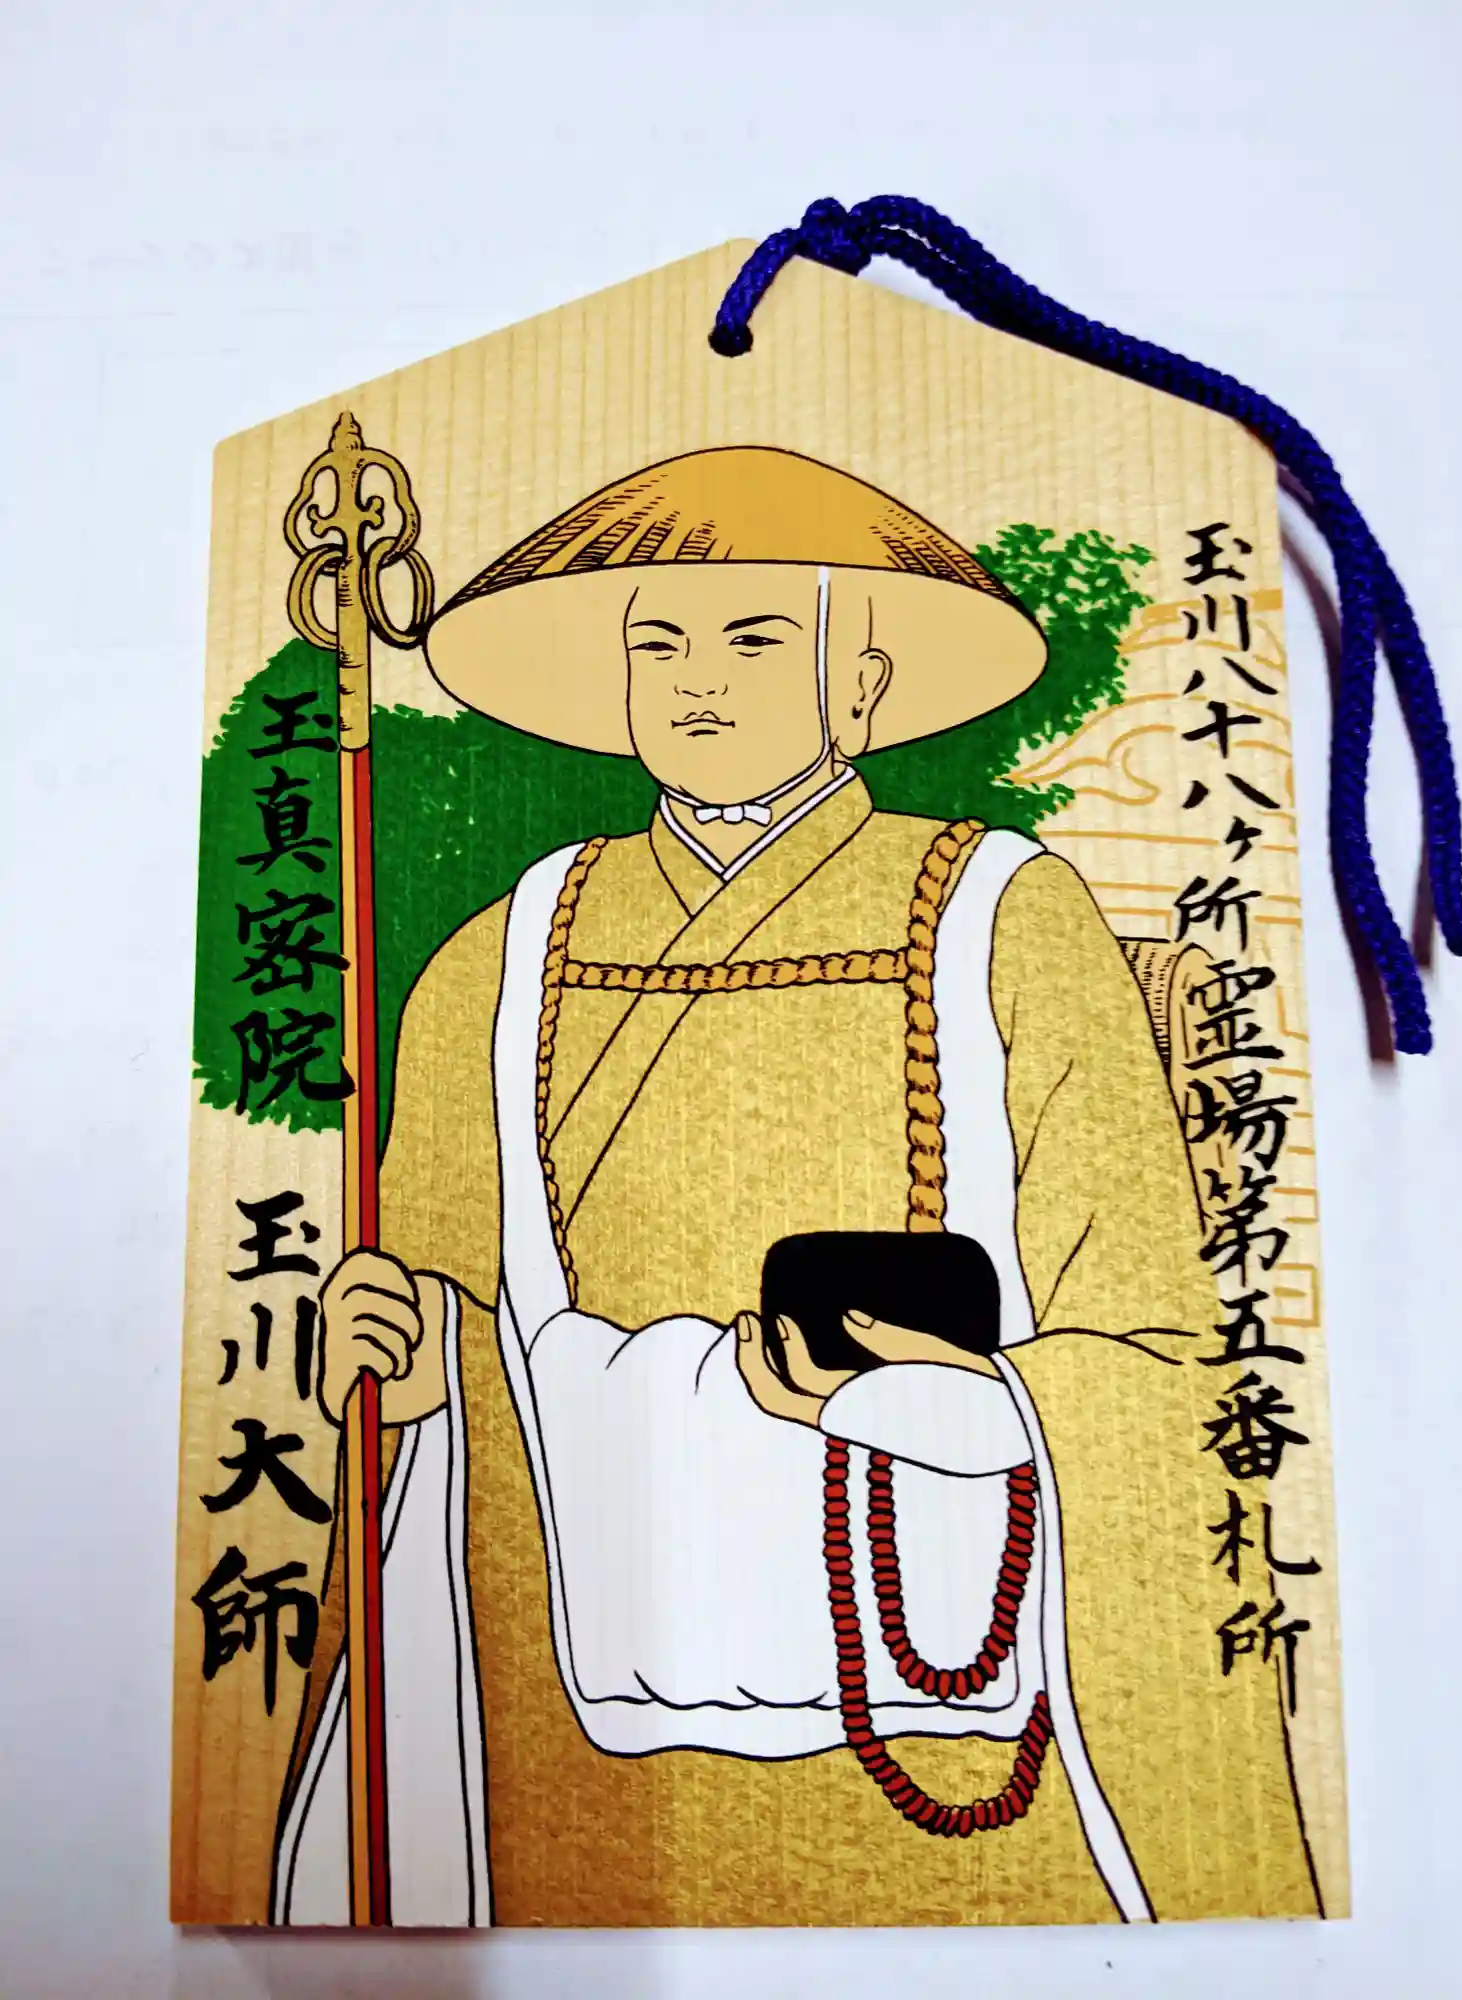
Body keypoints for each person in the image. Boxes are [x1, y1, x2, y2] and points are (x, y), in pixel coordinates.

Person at [272, 446, 1318, 1927]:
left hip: (944, 1687)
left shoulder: (1003, 916)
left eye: (756, 640)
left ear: (861, 686)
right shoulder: (495, 961)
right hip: (581, 1703)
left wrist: (956, 1402)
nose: (699, 682)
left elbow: (1154, 1341)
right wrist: (419, 1352)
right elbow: (455, 1321)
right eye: (658, 645)